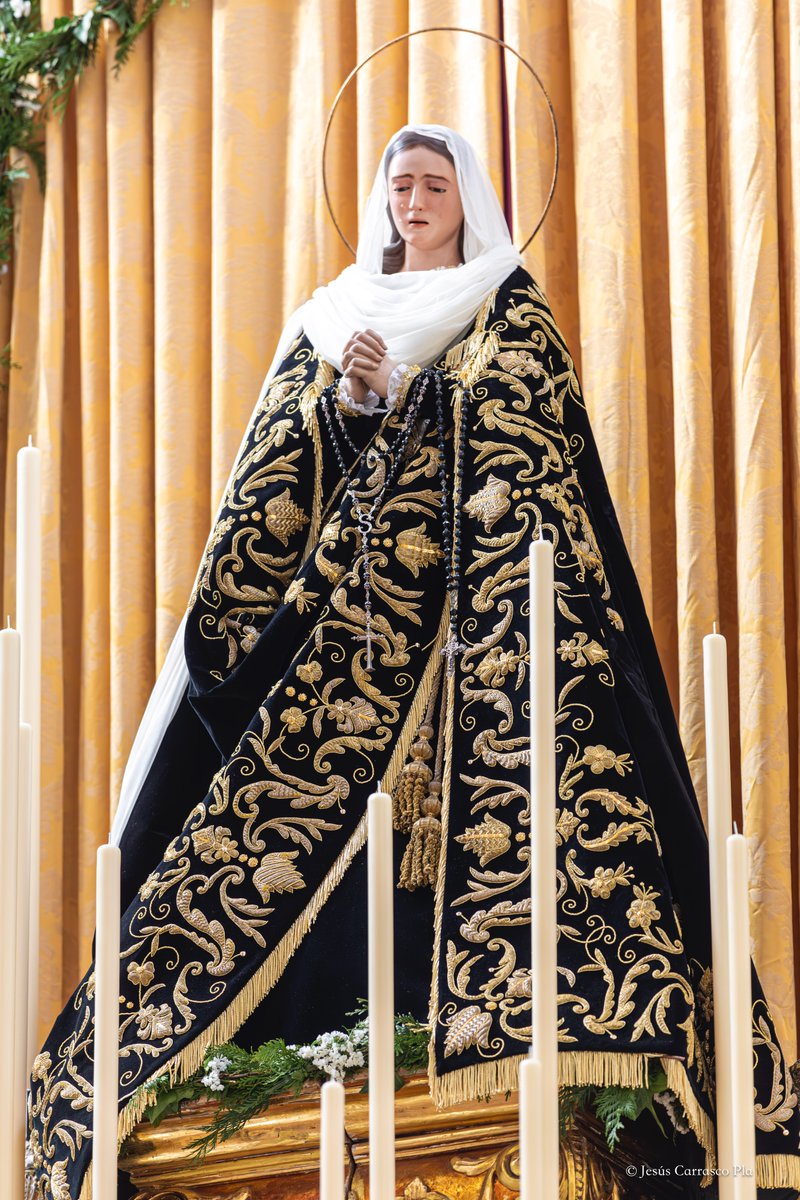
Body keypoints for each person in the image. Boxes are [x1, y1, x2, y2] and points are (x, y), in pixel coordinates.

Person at [27, 124, 800, 1199]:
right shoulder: (331, 316)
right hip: (342, 659)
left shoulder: (507, 309)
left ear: (464, 196)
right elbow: (277, 495)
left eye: (435, 183)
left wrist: (415, 400)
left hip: (476, 657)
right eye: (401, 184)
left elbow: (531, 456)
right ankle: (316, 1052)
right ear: (380, 198)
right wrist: (348, 407)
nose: (416, 199)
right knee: (324, 866)